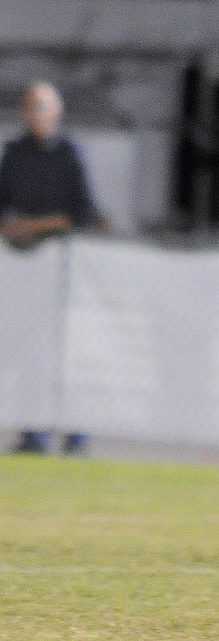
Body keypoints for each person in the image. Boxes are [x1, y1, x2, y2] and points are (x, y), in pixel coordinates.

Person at [0, 81, 106, 455]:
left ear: (56, 111)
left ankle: (76, 430)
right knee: (29, 350)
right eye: (30, 108)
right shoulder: (13, 154)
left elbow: (84, 214)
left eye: (42, 107)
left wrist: (38, 225)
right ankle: (34, 429)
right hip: (24, 269)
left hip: (64, 268)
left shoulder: (69, 155)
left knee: (70, 351)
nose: (36, 115)